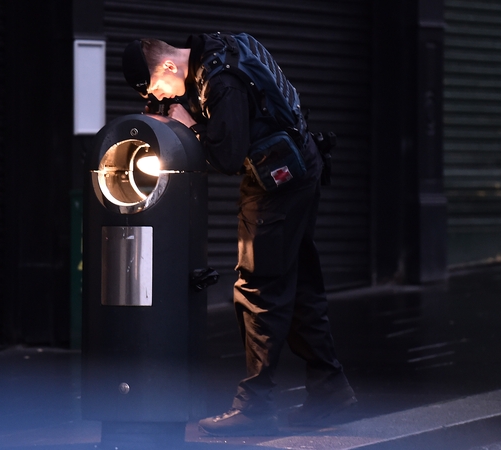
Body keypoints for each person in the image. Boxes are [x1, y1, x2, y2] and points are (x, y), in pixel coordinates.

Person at [122, 32, 356, 437]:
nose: (163, 95)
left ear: (167, 66)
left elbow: (228, 156)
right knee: (300, 290)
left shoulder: (219, 80)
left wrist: (188, 124)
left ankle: (256, 407)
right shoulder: (222, 47)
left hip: (277, 185)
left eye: (160, 86)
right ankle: (329, 390)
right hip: (301, 168)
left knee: (258, 290)